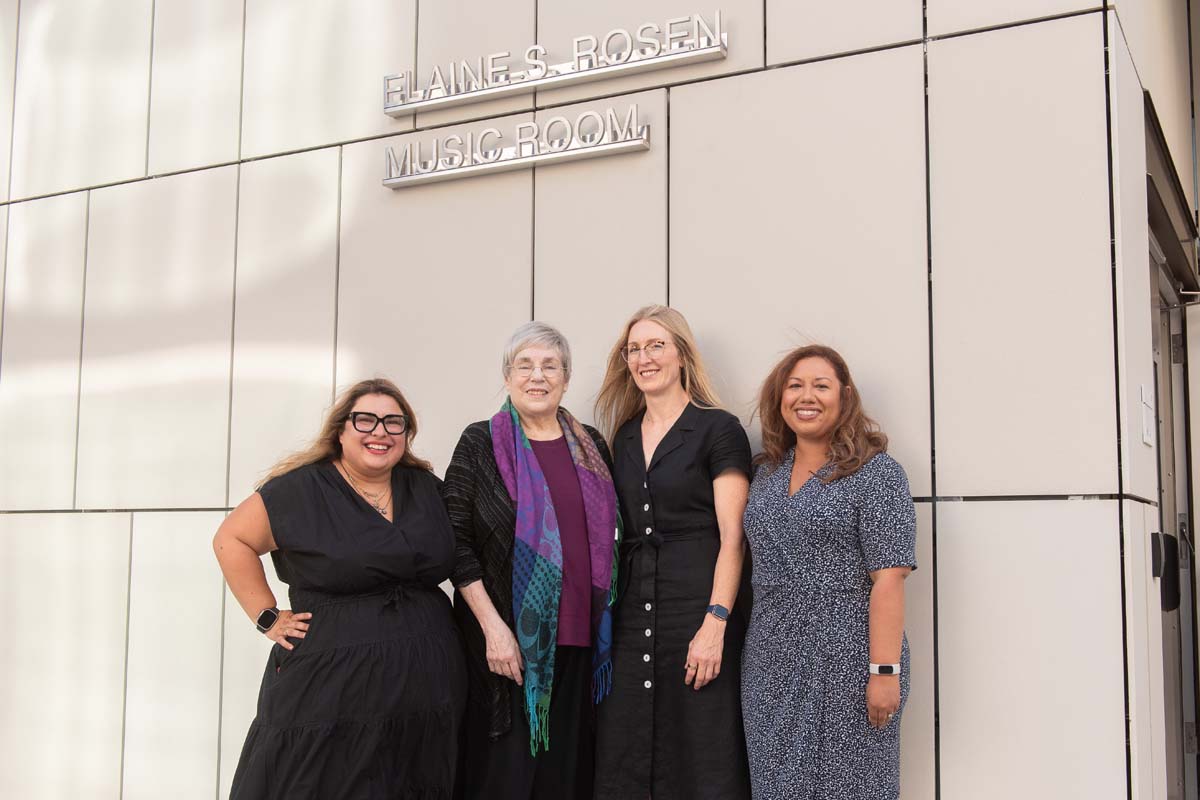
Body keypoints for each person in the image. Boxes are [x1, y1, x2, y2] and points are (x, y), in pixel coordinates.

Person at [213, 378, 466, 800]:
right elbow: (230, 540)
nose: (380, 432)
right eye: (365, 420)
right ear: (340, 430)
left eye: (393, 422)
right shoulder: (300, 488)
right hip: (332, 685)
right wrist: (267, 615)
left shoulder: (425, 487)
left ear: (407, 433)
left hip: (428, 684)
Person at [445, 321, 619, 800]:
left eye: (550, 366)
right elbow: (455, 543)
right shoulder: (480, 442)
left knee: (568, 777)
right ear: (507, 377)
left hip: (581, 640)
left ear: (566, 379)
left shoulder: (592, 446)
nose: (537, 376)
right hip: (507, 647)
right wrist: (493, 629)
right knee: (505, 777)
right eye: (524, 365)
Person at [741, 345, 917, 800]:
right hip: (770, 659)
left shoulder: (877, 474)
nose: (807, 396)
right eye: (795, 385)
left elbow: (890, 578)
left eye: (821, 385)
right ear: (780, 397)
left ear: (845, 396)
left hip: (849, 660)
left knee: (852, 787)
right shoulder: (767, 474)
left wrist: (884, 670)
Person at [593, 304, 753, 800]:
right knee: (630, 741)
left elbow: (734, 538)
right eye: (634, 349)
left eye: (656, 345)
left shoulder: (718, 429)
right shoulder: (621, 436)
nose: (644, 358)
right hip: (632, 610)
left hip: (697, 608)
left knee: (700, 742)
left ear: (682, 355)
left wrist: (716, 621)